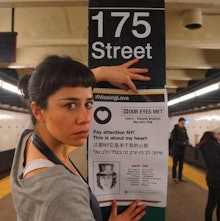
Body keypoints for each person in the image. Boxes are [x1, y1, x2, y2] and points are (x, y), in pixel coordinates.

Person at [10, 55, 149, 221]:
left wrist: (102, 72)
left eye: (88, 104)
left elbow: (65, 90)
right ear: (38, 111)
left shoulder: (28, 138)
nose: (86, 118)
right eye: (70, 105)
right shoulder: (62, 195)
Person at [197, 129, 220, 221]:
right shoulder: (211, 145)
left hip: (216, 177)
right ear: (213, 135)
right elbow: (213, 161)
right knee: (212, 203)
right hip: (216, 179)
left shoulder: (212, 144)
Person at [171, 117, 189, 183]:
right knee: (175, 164)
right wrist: (182, 143)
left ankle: (180, 177)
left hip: (182, 150)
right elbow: (173, 140)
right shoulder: (174, 130)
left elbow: (187, 137)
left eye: (184, 123)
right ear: (178, 123)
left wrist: (187, 142)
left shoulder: (184, 129)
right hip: (176, 150)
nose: (183, 124)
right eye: (182, 123)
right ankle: (174, 177)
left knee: (181, 164)